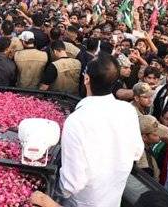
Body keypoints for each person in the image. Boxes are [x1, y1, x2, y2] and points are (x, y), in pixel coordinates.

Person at [57, 54, 143, 206]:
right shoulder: (127, 111)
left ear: (87, 79)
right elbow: (137, 152)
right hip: (113, 200)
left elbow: (72, 184)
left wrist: (53, 192)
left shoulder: (76, 121)